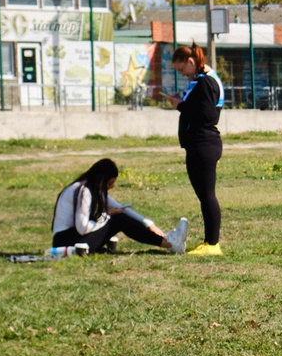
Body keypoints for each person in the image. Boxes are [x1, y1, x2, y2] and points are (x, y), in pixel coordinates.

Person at [51, 158, 187, 255]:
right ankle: (170, 244)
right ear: (101, 180)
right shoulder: (84, 191)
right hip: (67, 242)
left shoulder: (92, 188)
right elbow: (82, 228)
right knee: (118, 219)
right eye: (110, 183)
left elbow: (121, 208)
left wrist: (149, 224)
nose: (111, 187)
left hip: (72, 239)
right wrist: (106, 216)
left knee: (120, 217)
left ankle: (167, 241)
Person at [170, 43, 226, 257]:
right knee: (204, 196)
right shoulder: (200, 81)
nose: (182, 74)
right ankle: (208, 241)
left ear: (191, 62)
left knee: (208, 195)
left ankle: (212, 244)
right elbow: (197, 107)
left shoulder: (206, 82)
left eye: (181, 69)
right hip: (198, 144)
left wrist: (181, 106)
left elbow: (208, 115)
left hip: (204, 144)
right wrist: (182, 101)